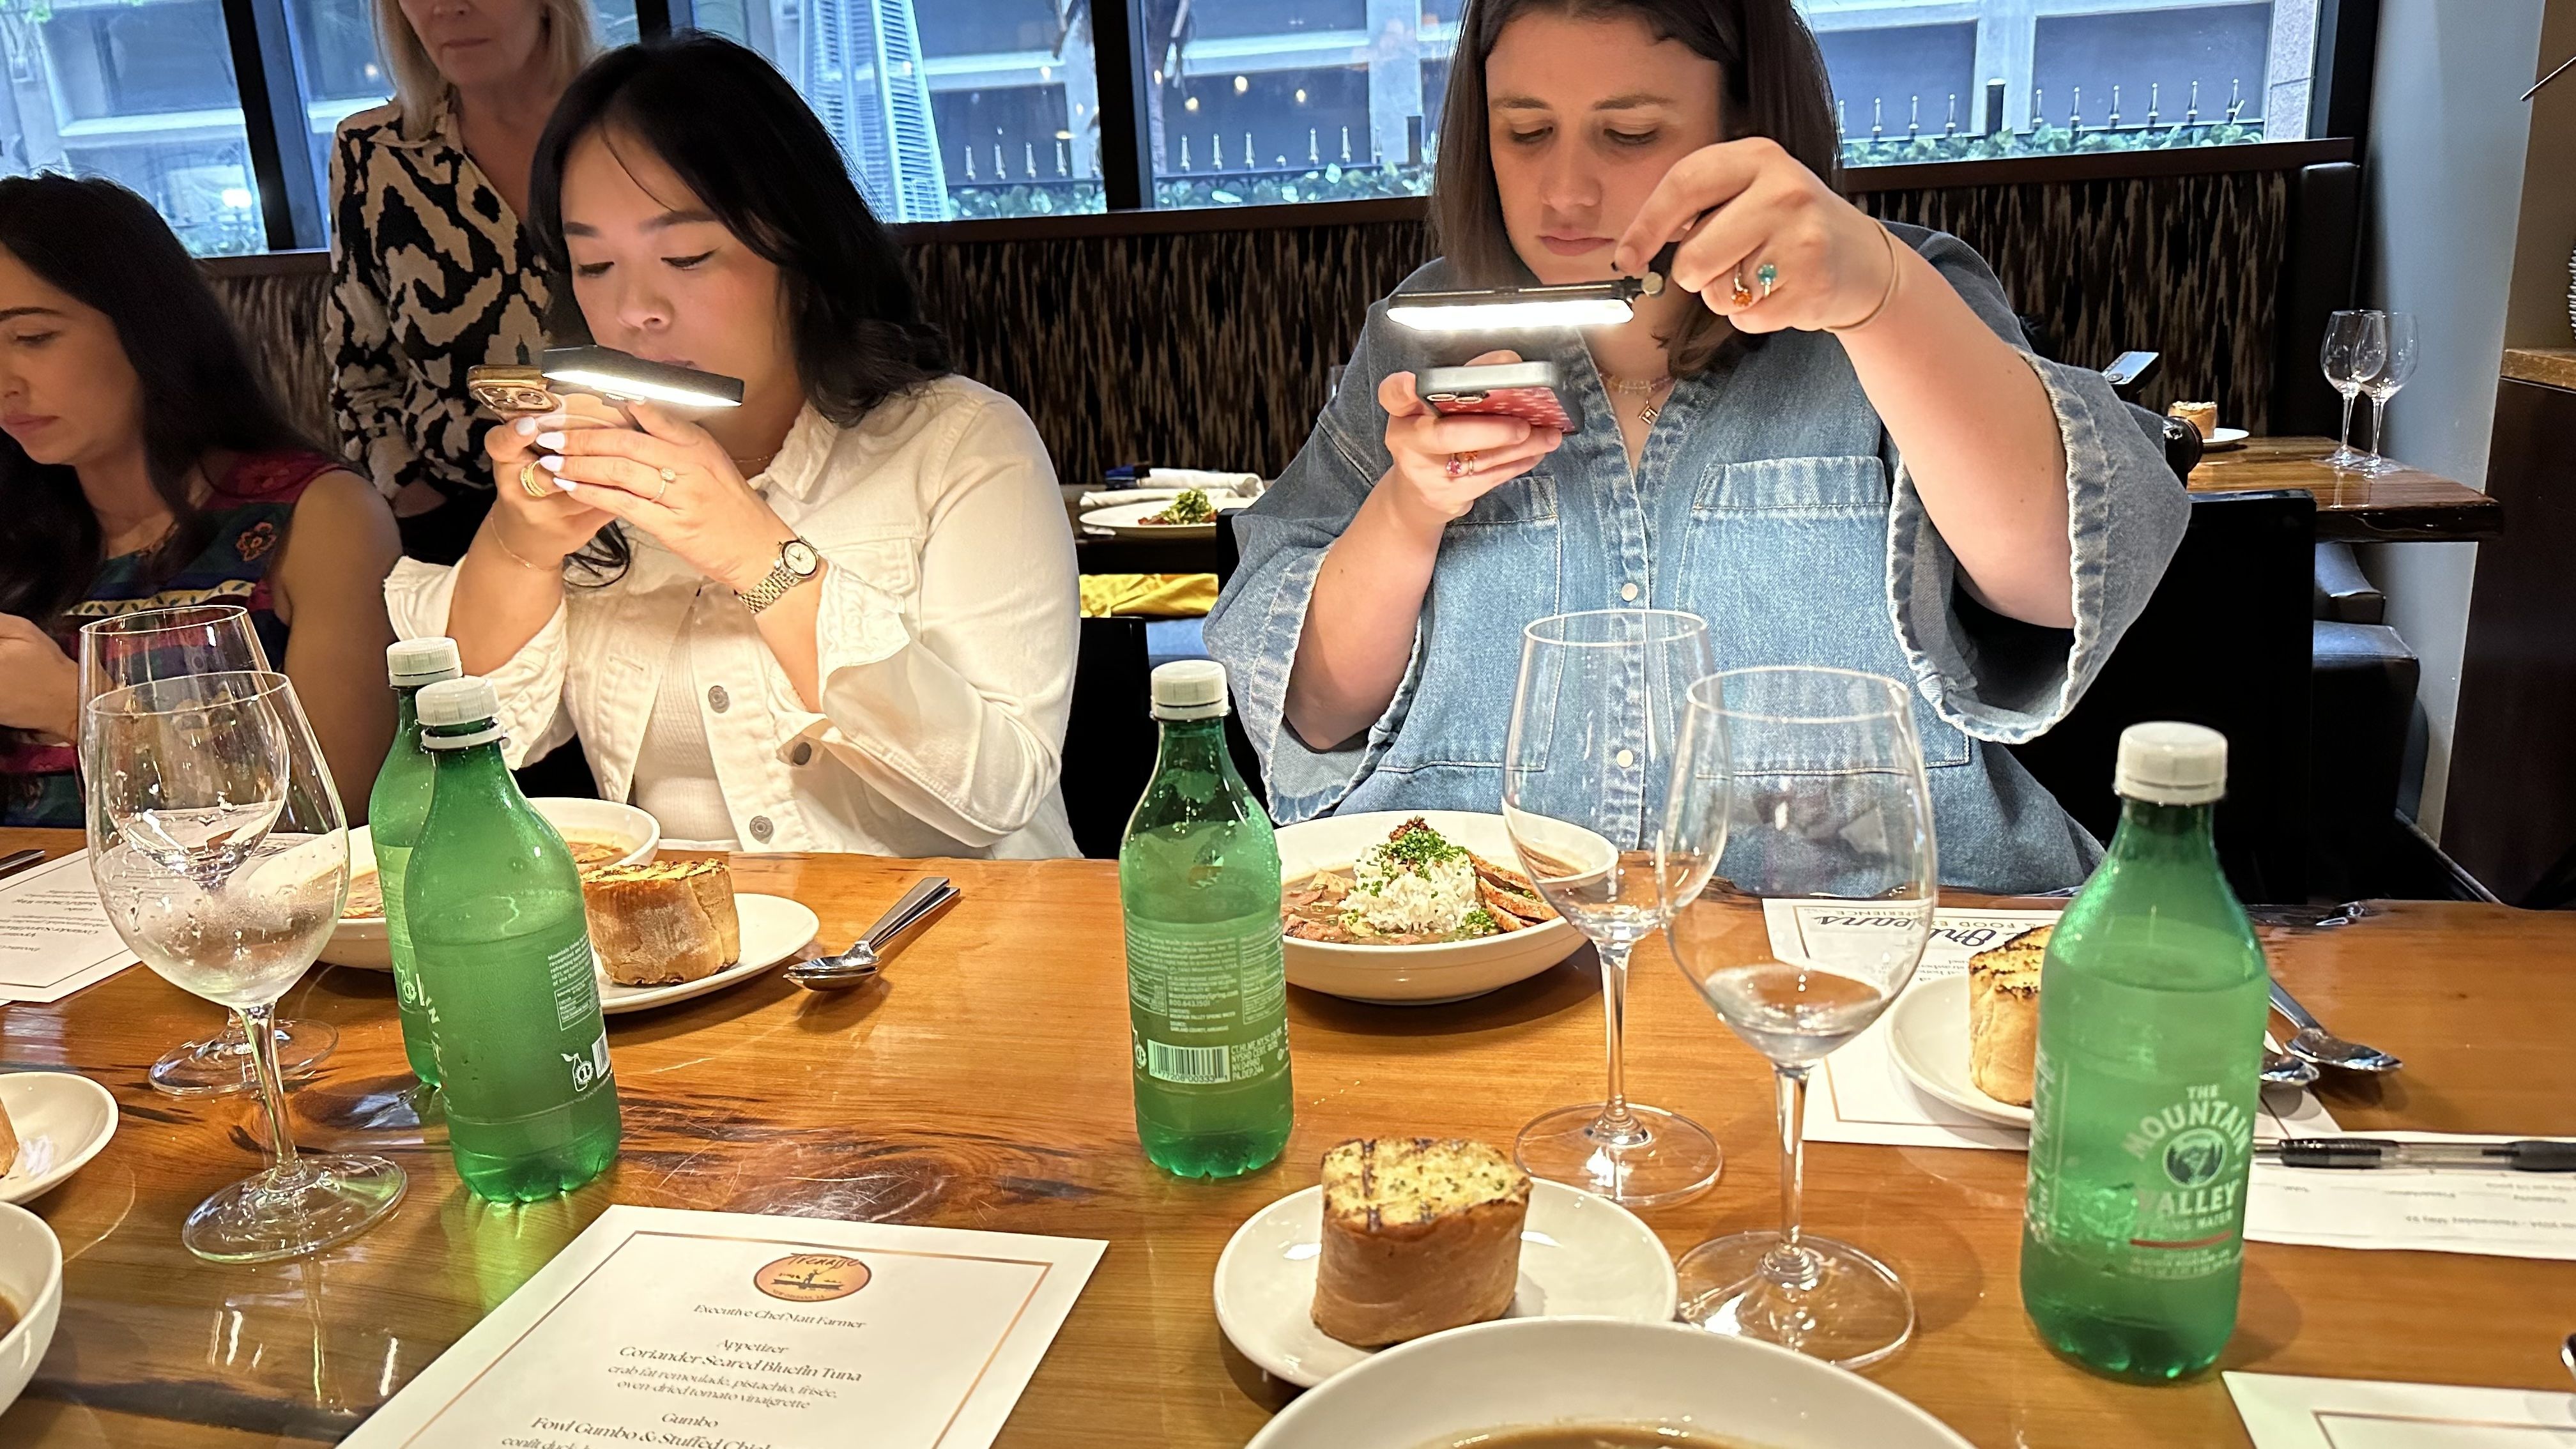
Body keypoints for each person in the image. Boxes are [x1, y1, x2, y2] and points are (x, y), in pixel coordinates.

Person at [1204, 0, 2189, 893]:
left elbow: (2060, 583)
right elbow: (1317, 713)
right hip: (1473, 948)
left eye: (1630, 133)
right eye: (1526, 131)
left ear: (1742, 124)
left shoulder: (1891, 300)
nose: (1565, 191)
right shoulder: (1427, 331)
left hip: (1880, 952)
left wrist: (1883, 297)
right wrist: (1412, 505)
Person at [385, 34, 1080, 858]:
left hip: (964, 928)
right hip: (687, 936)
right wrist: (518, 549)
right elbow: (466, 760)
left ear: (801, 251)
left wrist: (754, 553)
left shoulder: (962, 444)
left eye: (686, 256)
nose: (635, 309)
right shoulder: (593, 458)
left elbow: (998, 794)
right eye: (595, 264)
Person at [0, 176, 401, 826]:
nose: (5, 381)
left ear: (146, 325)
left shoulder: (321, 515)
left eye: (33, 338)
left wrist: (77, 711)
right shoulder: (20, 528)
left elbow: (333, 810)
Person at [330, 0, 599, 564]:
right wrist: (409, 492)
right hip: (456, 517)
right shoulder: (374, 151)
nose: (446, 7)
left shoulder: (634, 125)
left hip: (638, 493)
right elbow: (359, 366)